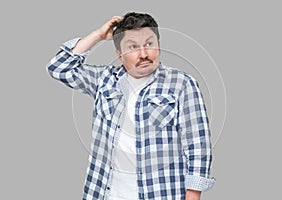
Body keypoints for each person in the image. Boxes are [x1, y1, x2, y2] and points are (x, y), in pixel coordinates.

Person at [47, 12, 215, 200]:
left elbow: (198, 144)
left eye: (149, 44)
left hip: (161, 193)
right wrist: (98, 35)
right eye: (133, 47)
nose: (144, 54)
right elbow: (59, 67)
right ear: (119, 55)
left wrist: (193, 195)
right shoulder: (104, 80)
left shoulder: (182, 84)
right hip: (105, 192)